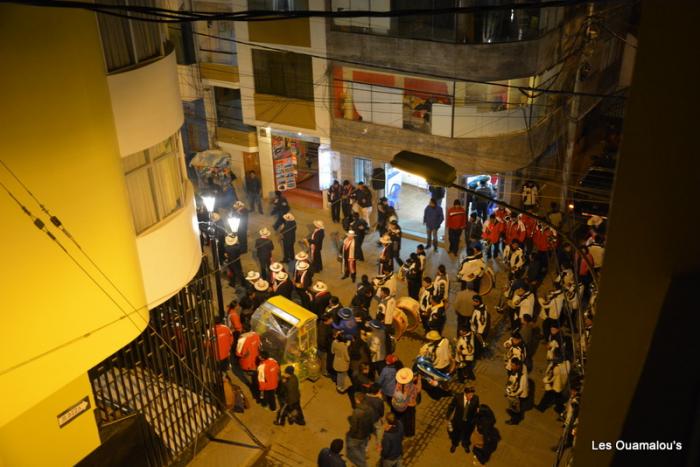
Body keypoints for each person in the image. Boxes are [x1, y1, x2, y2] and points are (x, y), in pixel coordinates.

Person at [536, 348, 571, 414]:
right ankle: (560, 408)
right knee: (558, 397)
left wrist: (546, 381)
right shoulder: (567, 363)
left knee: (547, 396)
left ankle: (541, 407)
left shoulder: (556, 367)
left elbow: (551, 378)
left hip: (554, 385)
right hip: (561, 384)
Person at [446, 386, 480, 453]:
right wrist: (448, 416)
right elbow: (451, 406)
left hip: (468, 422)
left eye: (472, 394)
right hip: (457, 421)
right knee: (455, 435)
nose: (471, 396)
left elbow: (476, 408)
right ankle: (454, 444)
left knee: (466, 436)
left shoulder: (476, 398)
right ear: (465, 393)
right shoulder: (458, 397)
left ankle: (465, 445)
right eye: (469, 395)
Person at [346, 392, 375, 467]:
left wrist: (351, 435)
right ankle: (363, 457)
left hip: (357, 436)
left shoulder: (357, 412)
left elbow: (354, 427)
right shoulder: (370, 409)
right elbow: (372, 421)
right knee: (361, 448)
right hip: (366, 434)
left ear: (358, 400)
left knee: (352, 450)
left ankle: (362, 464)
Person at [391, 368, 420, 438]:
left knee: (402, 419)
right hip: (410, 405)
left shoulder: (398, 384)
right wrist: (419, 380)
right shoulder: (412, 386)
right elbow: (417, 391)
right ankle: (409, 433)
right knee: (410, 420)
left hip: (401, 406)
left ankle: (402, 432)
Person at [505, 357, 529, 425]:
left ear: (518, 366)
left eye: (513, 366)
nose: (512, 367)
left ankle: (514, 421)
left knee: (516, 409)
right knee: (517, 408)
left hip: (520, 395)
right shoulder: (518, 370)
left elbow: (521, 389)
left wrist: (512, 394)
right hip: (516, 392)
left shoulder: (522, 376)